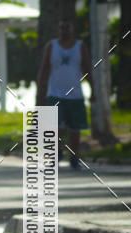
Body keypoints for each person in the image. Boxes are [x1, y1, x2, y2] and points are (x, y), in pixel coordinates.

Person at [37, 18, 94, 169]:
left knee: (74, 129)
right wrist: (40, 92)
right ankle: (56, 152)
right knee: (55, 126)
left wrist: (93, 89)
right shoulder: (52, 46)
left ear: (73, 29)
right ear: (59, 29)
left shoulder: (80, 47)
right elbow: (44, 69)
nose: (65, 31)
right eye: (62, 28)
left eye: (67, 28)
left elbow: (87, 68)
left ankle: (74, 157)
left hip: (75, 94)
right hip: (55, 93)